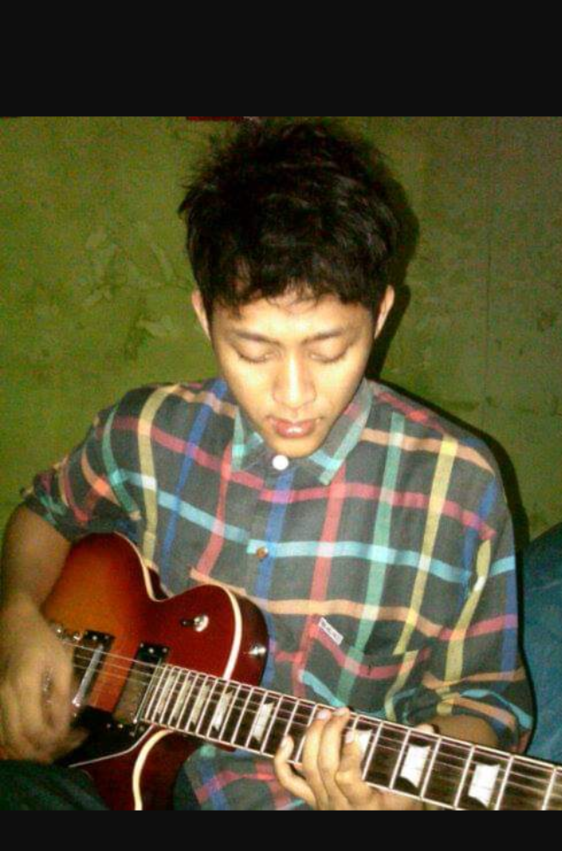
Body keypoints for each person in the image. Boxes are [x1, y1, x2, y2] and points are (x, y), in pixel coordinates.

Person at [0, 119, 532, 810]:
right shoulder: (146, 430)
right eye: (253, 351)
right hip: (99, 775)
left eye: (329, 350)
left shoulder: (457, 487)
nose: (292, 394)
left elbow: (489, 707)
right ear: (204, 318)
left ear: (380, 314)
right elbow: (46, 514)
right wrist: (17, 617)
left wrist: (405, 796)